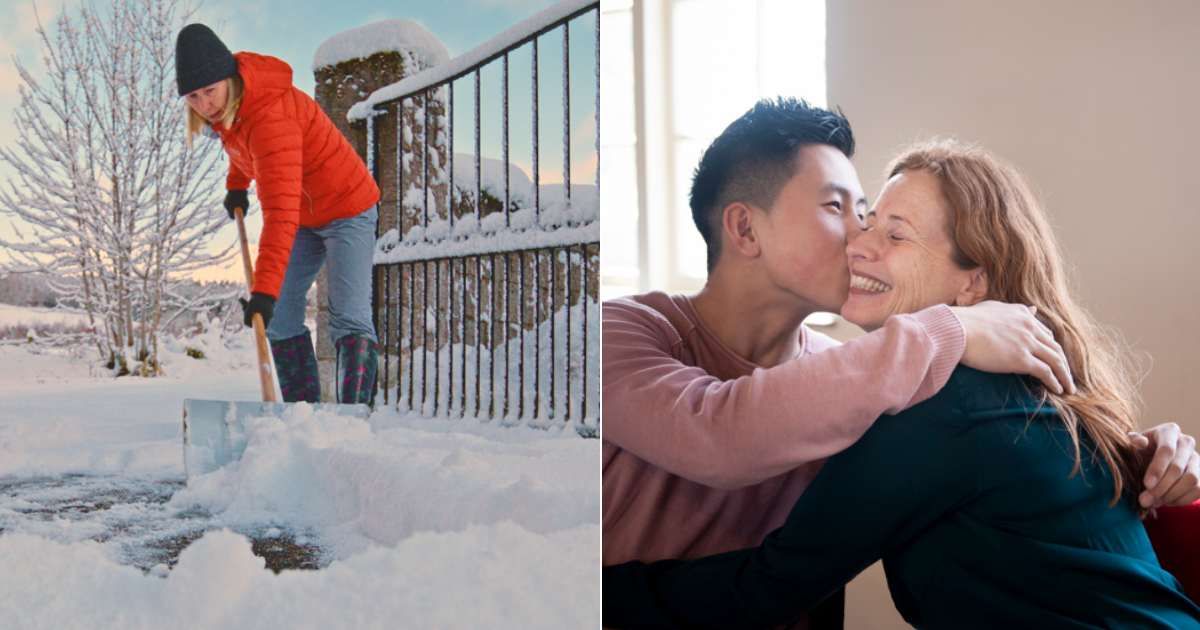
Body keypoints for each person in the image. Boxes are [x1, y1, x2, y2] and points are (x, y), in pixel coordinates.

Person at [602, 98, 1200, 627]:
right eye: (841, 209)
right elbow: (719, 433)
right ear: (744, 229)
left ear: (974, 282)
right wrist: (951, 329)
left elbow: (781, 583)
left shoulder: (896, 388)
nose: (857, 242)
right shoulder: (616, 332)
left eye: (882, 225)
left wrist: (1138, 458)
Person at [175, 23, 380, 404]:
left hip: (347, 206)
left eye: (210, 91)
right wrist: (236, 184)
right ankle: (303, 420)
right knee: (282, 319)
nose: (204, 104)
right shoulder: (231, 110)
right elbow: (243, 146)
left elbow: (280, 214)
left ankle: (354, 423)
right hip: (305, 214)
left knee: (348, 317)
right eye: (193, 96)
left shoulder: (271, 117)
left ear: (228, 79)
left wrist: (264, 291)